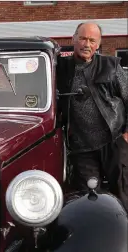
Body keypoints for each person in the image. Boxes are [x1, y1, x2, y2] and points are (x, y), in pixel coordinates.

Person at [56, 22, 128, 210]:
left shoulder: (111, 66)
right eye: (82, 38)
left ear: (98, 45)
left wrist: (126, 137)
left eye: (92, 40)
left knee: (123, 193)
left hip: (114, 142)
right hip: (82, 147)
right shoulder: (60, 68)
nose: (86, 44)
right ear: (73, 39)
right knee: (89, 200)